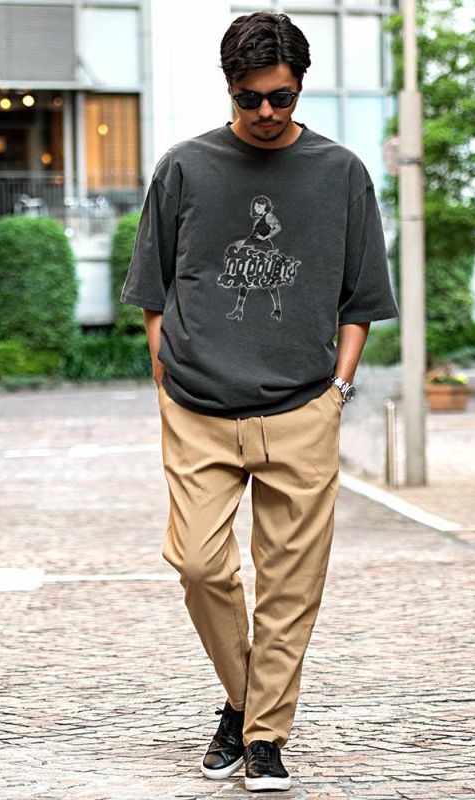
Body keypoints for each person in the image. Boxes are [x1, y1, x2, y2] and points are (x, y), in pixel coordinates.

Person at [121, 11, 398, 793]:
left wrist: (339, 389)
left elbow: (361, 298)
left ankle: (264, 734)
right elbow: (151, 287)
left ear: (300, 86)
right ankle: (245, 700)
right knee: (199, 565)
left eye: (280, 96)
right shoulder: (185, 167)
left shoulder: (340, 172)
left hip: (304, 406)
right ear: (229, 89)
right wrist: (165, 371)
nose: (267, 112)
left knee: (290, 584)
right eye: (250, 99)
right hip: (198, 407)